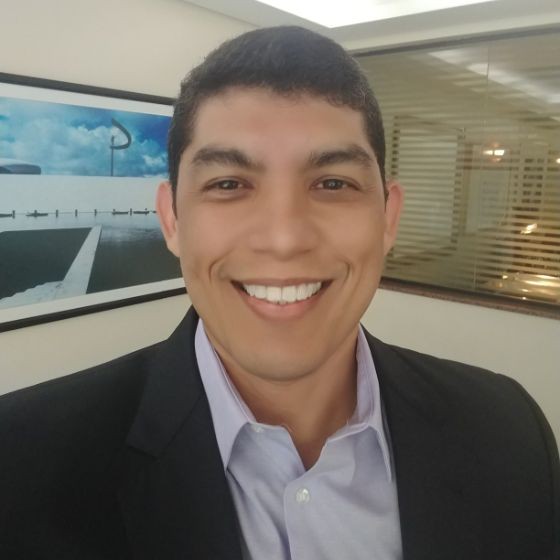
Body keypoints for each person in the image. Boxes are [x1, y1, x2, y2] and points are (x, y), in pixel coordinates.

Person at [0, 26, 558, 560]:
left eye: (333, 183)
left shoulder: (507, 429)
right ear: (172, 219)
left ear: (388, 218)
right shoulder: (21, 462)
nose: (285, 238)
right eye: (228, 184)